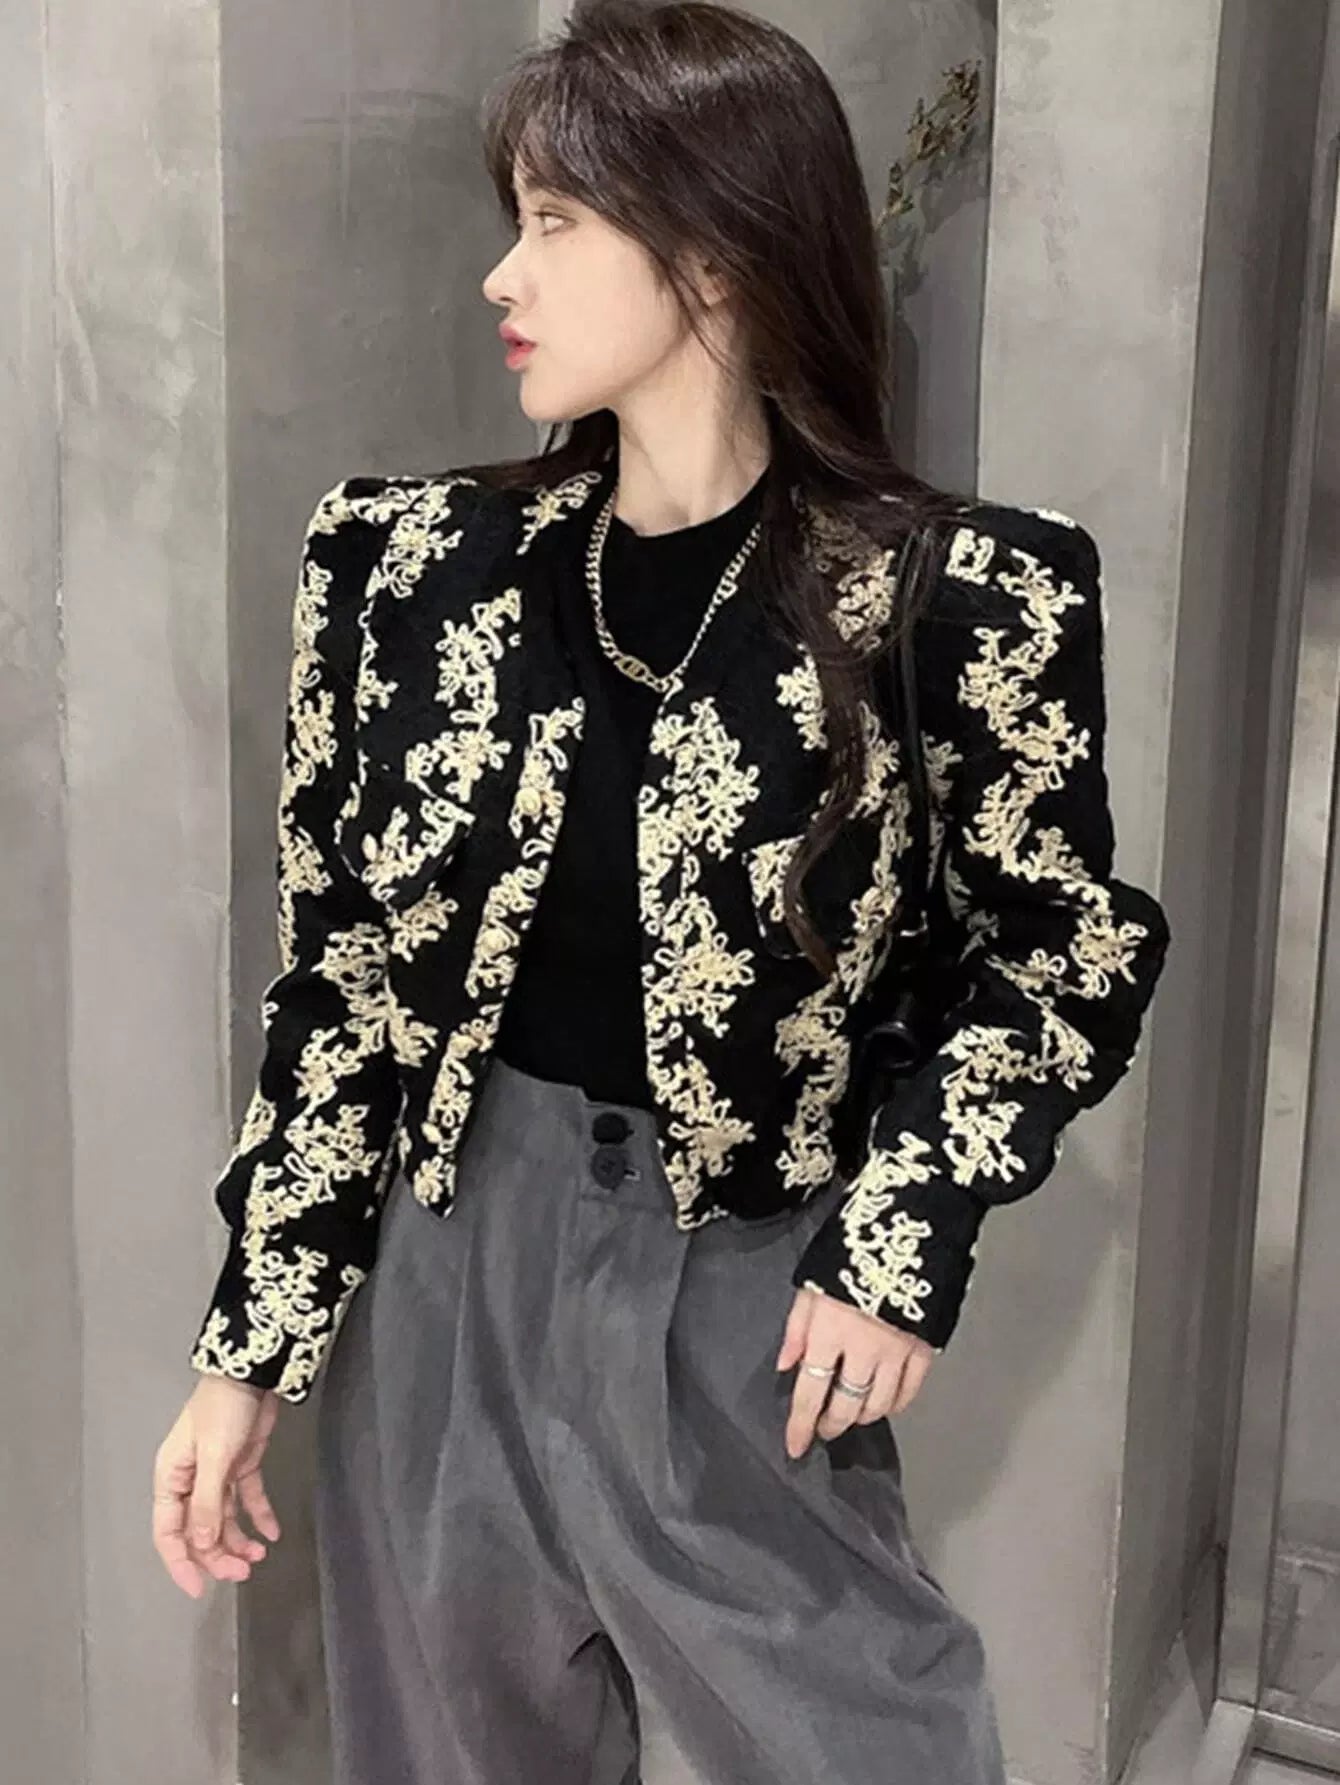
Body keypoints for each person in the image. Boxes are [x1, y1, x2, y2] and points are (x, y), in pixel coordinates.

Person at [152, 3, 1171, 1781]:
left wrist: (900, 1236)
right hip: (445, 1273)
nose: (503, 273)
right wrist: (250, 1350)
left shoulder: (952, 595)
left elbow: (1061, 959)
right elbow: (346, 987)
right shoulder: (404, 569)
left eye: (556, 220)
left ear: (715, 249)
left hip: (740, 1291)